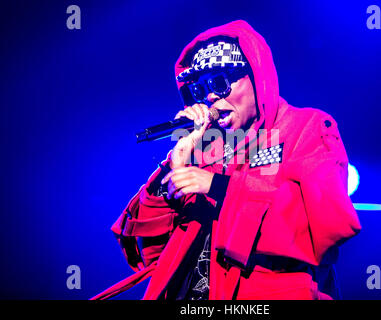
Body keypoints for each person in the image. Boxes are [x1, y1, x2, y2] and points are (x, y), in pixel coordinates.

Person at [92, 20, 361, 300]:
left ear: (256, 76)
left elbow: (323, 224)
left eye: (220, 83)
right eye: (199, 89)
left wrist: (220, 187)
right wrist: (174, 165)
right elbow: (153, 255)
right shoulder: (206, 145)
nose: (209, 97)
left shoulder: (306, 126)